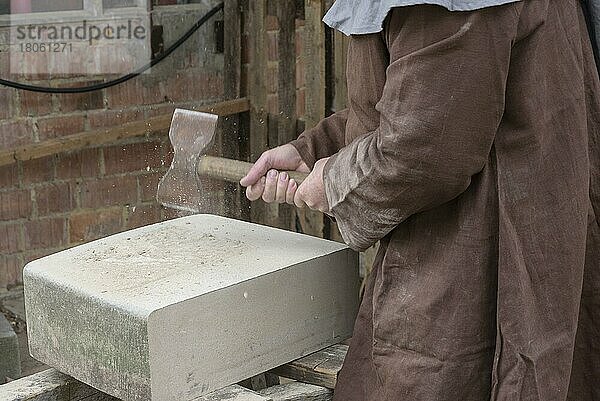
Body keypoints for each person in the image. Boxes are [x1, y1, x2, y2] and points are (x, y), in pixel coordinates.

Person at [240, 1, 600, 400]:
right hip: (497, 238)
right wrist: (315, 149)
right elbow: (439, 94)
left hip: (478, 264)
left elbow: (424, 149)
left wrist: (337, 180)